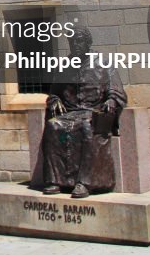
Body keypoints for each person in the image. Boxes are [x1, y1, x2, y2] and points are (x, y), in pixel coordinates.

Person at [41, 26, 126, 198]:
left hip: (94, 112)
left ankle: (85, 182)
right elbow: (54, 93)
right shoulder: (64, 65)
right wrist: (55, 100)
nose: (75, 45)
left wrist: (111, 101)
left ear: (88, 42)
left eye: (79, 41)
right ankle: (54, 180)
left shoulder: (103, 64)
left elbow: (116, 91)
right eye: (72, 41)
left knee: (87, 128)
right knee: (53, 127)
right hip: (70, 113)